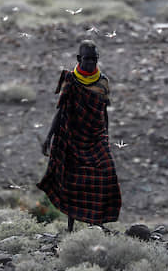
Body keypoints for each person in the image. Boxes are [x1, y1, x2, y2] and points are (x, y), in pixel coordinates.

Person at [37, 40, 122, 232]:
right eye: (87, 59)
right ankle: (70, 227)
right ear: (78, 59)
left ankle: (97, 223)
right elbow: (60, 111)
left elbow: (104, 111)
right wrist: (48, 137)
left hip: (96, 136)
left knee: (105, 174)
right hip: (73, 138)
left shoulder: (103, 82)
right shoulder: (70, 80)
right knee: (72, 180)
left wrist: (106, 137)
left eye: (94, 59)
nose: (91, 63)